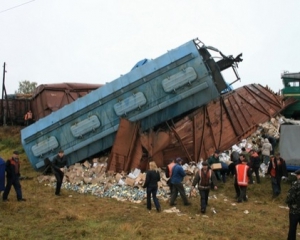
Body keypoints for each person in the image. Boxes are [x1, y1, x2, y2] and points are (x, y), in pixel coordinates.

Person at [286, 169, 300, 240]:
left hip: (295, 211)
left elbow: (290, 197)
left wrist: (289, 204)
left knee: (292, 228)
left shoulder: (296, 184)